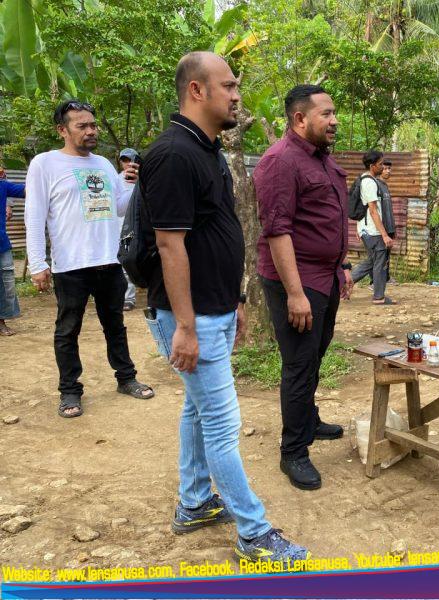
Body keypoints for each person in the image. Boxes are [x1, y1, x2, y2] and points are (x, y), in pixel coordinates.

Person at [140, 52, 309, 565]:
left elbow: (216, 232)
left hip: (212, 309)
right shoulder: (173, 154)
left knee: (198, 410)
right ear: (197, 90)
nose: (237, 95)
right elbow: (169, 246)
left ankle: (194, 503)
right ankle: (254, 533)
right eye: (229, 86)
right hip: (188, 316)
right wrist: (186, 327)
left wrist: (234, 301)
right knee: (220, 422)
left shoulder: (205, 148)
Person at [24, 100, 153, 419]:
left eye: (93, 125)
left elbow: (119, 207)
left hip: (109, 260)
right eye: (82, 126)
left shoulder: (104, 165)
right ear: (62, 130)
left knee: (115, 325)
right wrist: (38, 263)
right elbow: (34, 215)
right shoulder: (45, 164)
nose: (91, 130)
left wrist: (130, 183)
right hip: (71, 265)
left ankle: (126, 378)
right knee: (68, 330)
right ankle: (70, 390)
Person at [254, 84, 352, 492]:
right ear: (299, 119)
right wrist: (295, 294)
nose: (334, 121)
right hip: (296, 280)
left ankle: (308, 420)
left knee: (315, 355)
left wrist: (342, 266)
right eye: (326, 114)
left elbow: (327, 220)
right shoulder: (280, 162)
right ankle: (293, 451)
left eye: (334, 113)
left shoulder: (322, 159)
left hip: (325, 276)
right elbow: (278, 231)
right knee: (298, 363)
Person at [350, 150, 396, 305]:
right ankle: (378, 297)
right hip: (373, 231)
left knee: (372, 261)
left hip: (368, 230)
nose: (383, 167)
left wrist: (359, 228)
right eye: (380, 164)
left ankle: (343, 282)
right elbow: (373, 211)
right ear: (372, 166)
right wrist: (384, 234)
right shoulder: (369, 182)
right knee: (380, 262)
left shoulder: (367, 180)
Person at [0, 167, 25, 336]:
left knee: (6, 284)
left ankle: (1, 321)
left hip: (2, 243)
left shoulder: (2, 185)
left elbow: (28, 190)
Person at [117, 148, 140, 311]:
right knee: (122, 263)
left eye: (131, 160)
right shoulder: (115, 179)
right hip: (120, 227)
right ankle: (126, 297)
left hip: (139, 226)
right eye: (124, 160)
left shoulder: (145, 178)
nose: (127, 163)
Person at [377, 159, 396, 285]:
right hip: (381, 228)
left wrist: (393, 227)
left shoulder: (385, 186)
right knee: (379, 256)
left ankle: (386, 278)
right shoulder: (376, 185)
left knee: (387, 255)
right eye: (385, 168)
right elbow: (371, 208)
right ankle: (374, 282)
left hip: (389, 227)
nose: (388, 171)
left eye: (389, 168)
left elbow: (388, 209)